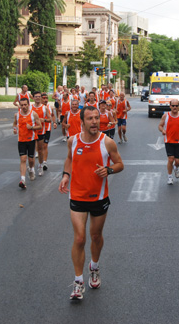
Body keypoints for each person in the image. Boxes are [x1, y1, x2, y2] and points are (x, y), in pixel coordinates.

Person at [58, 106, 124, 300]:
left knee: (95, 236)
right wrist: (65, 175)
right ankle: (78, 281)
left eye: (96, 118)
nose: (95, 121)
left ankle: (94, 267)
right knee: (79, 239)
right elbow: (70, 159)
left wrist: (109, 170)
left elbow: (120, 164)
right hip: (77, 196)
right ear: (82, 122)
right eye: (90, 119)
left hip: (99, 197)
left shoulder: (108, 143)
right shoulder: (73, 141)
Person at [13, 97, 43, 189]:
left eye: (25, 105)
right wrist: (14, 129)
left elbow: (40, 126)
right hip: (21, 140)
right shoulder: (17, 115)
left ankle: (31, 169)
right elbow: (14, 124)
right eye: (22, 105)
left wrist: (32, 128)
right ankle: (22, 180)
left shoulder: (33, 114)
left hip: (31, 140)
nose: (23, 107)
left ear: (28, 104)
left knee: (31, 159)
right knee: (23, 159)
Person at [158, 100, 179, 185]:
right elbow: (160, 126)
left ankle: (175, 168)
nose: (175, 107)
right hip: (168, 141)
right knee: (171, 159)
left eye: (176, 106)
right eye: (173, 105)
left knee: (178, 162)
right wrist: (163, 130)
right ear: (170, 106)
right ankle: (170, 177)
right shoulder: (165, 116)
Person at [31, 91, 51, 176]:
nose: (38, 98)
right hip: (31, 131)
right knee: (31, 151)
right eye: (36, 96)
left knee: (40, 149)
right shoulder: (30, 107)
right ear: (33, 97)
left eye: (39, 96)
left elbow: (50, 119)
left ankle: (40, 166)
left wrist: (45, 120)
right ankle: (31, 168)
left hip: (41, 131)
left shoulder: (44, 108)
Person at [41, 93, 58, 171]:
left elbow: (53, 116)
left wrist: (54, 123)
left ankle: (44, 162)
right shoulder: (36, 108)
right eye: (44, 98)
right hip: (39, 129)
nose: (45, 100)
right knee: (39, 146)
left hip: (47, 129)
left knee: (45, 145)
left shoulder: (50, 107)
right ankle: (40, 160)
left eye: (46, 98)